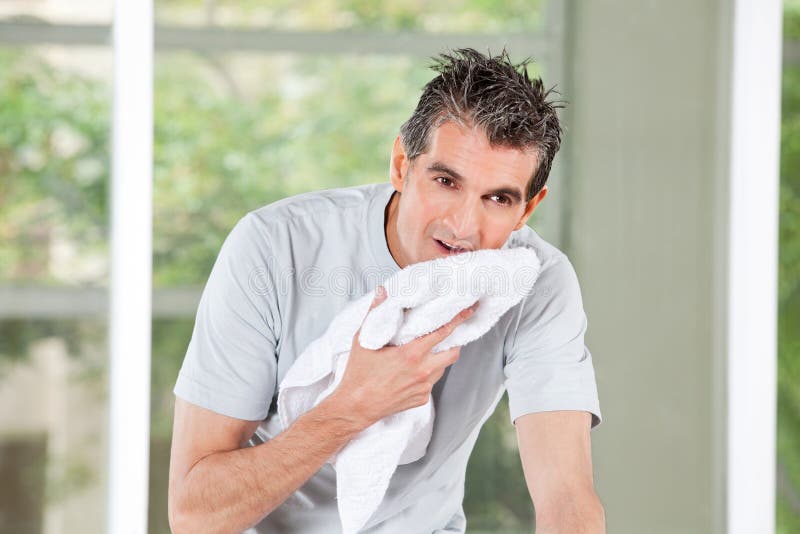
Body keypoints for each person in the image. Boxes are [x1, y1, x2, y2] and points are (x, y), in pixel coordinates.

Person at [168, 47, 604, 533]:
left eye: (497, 199)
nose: (462, 225)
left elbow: (567, 498)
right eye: (445, 181)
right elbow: (194, 515)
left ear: (527, 209)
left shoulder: (534, 281)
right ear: (401, 164)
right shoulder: (275, 247)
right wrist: (351, 406)